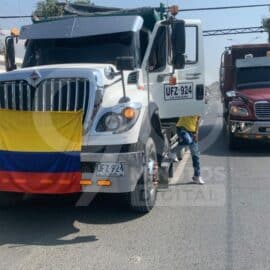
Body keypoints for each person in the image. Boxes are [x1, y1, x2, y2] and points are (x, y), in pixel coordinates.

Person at [176, 115, 205, 185]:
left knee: (196, 156)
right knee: (188, 140)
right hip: (182, 128)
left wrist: (196, 133)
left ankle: (197, 176)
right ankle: (174, 151)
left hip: (192, 132)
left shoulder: (198, 108)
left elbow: (197, 121)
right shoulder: (187, 104)